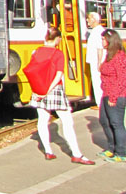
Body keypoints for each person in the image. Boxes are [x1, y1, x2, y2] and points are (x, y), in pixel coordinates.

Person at [30, 26, 95, 164]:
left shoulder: (35, 51)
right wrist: (48, 90)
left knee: (42, 120)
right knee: (67, 122)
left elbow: (33, 72)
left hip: (38, 89)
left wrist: (40, 91)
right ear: (58, 38)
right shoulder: (58, 54)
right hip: (54, 90)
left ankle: (48, 151)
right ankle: (76, 154)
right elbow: (59, 75)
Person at [97, 29, 126, 162]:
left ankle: (121, 152)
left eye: (103, 39)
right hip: (106, 93)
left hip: (116, 95)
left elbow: (122, 79)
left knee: (116, 123)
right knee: (104, 121)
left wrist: (114, 97)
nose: (102, 41)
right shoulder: (109, 55)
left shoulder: (120, 57)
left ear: (110, 41)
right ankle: (111, 148)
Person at [85, 12, 105, 108]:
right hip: (95, 60)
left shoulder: (98, 31)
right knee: (97, 81)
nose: (87, 20)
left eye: (89, 18)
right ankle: (100, 102)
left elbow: (100, 48)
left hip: (97, 61)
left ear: (94, 19)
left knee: (98, 81)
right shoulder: (96, 31)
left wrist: (99, 63)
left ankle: (100, 103)